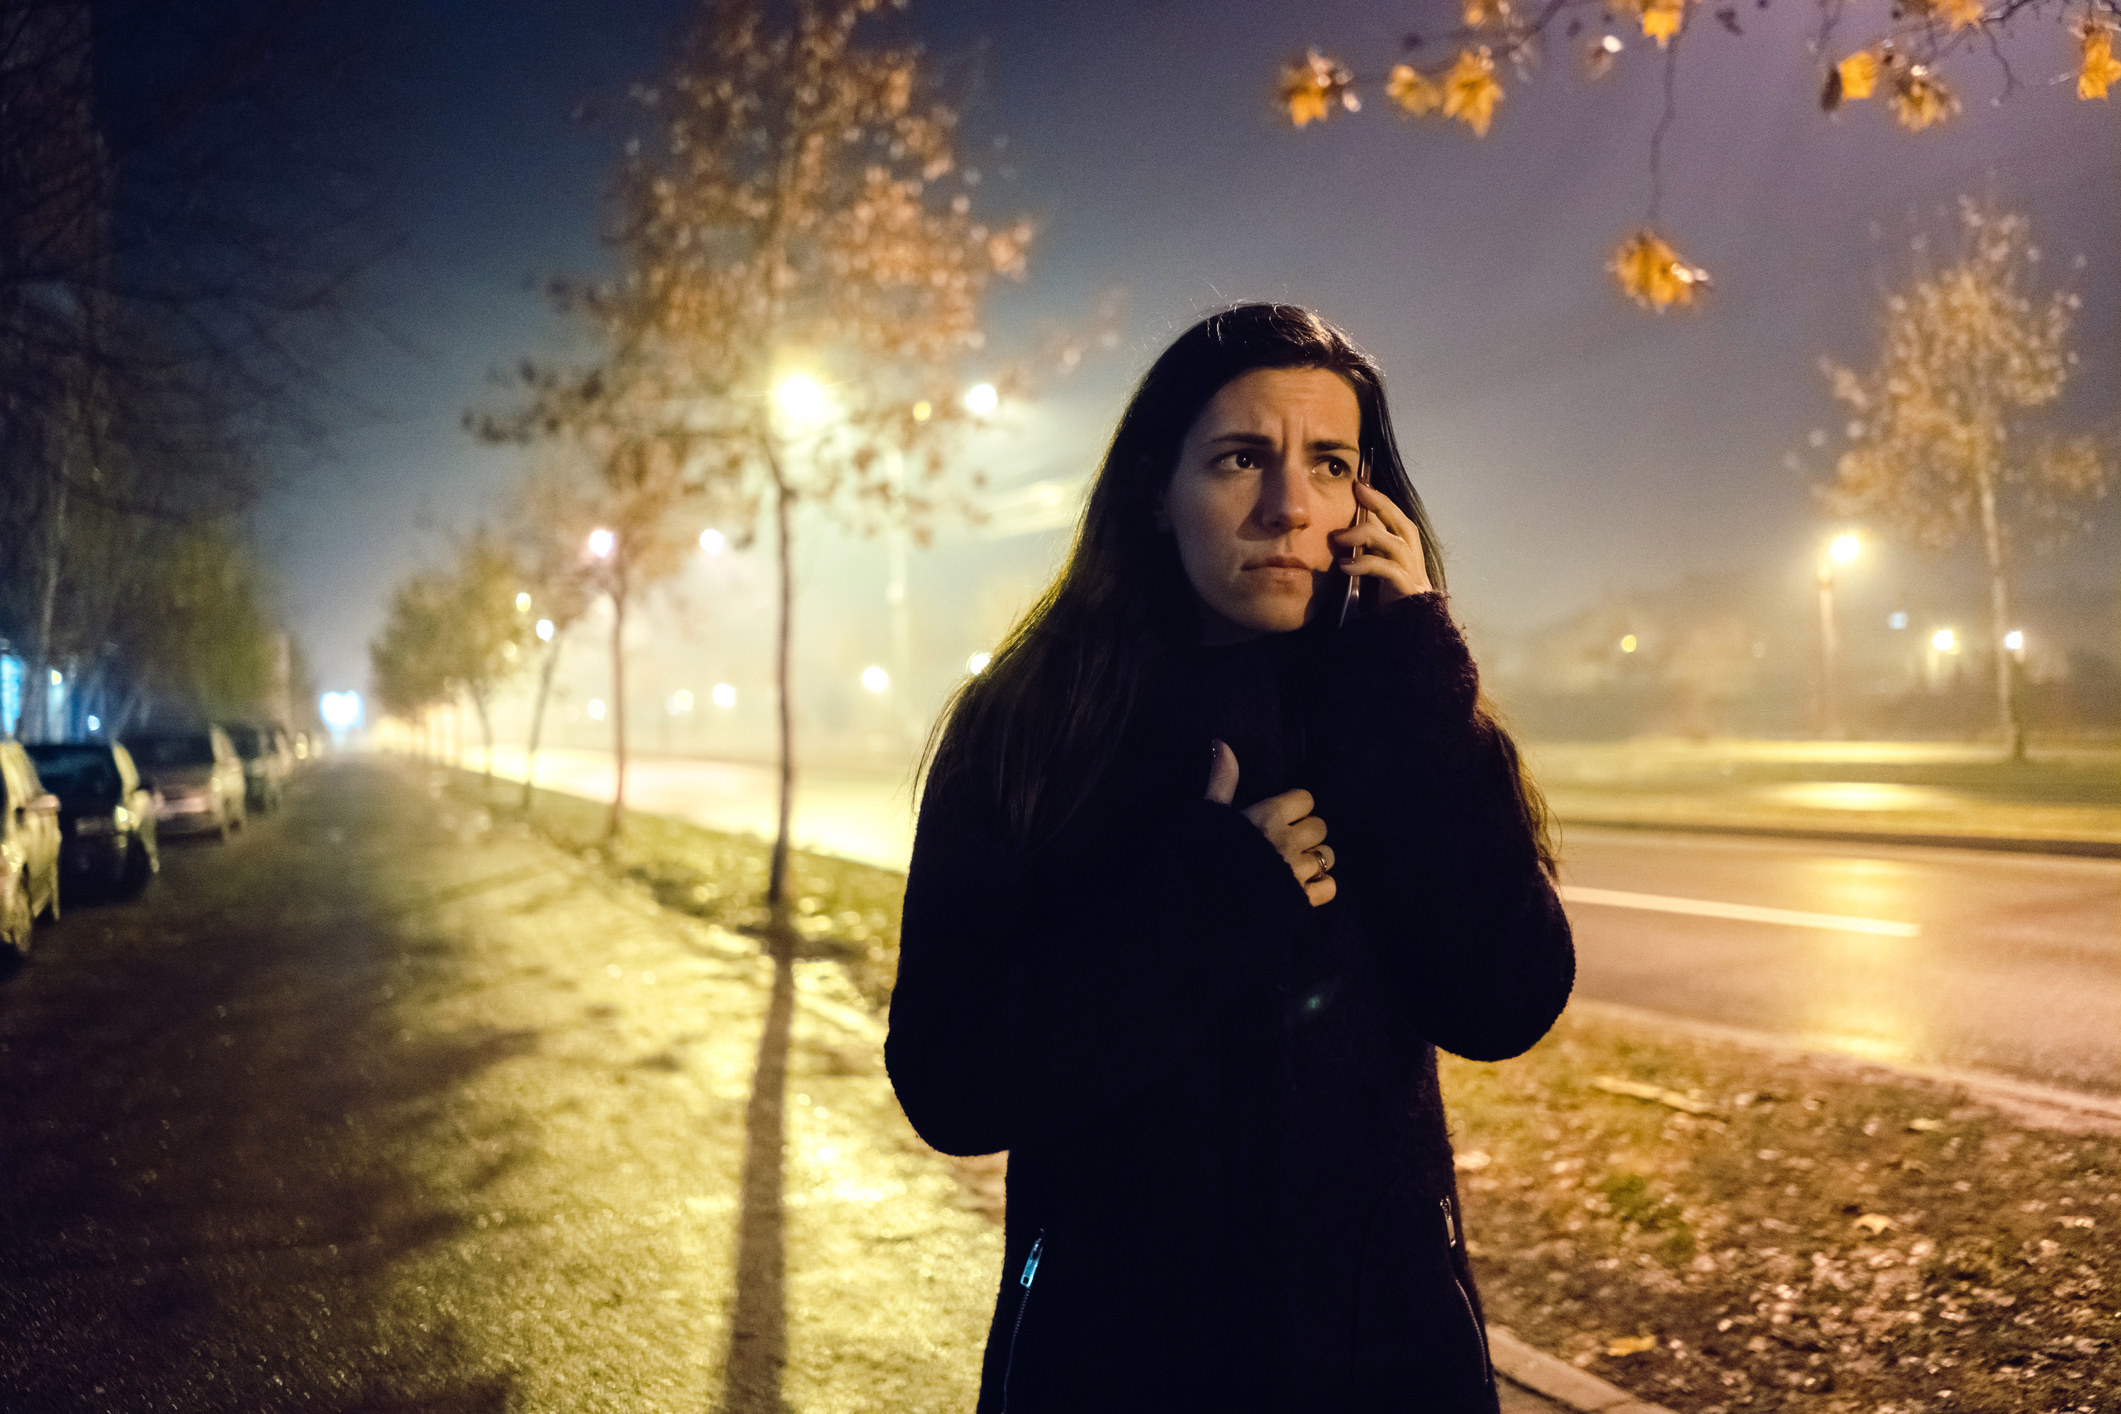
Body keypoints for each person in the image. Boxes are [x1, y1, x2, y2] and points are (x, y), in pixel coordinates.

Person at [885, 303, 1575, 1413]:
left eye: (1331, 464)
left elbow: (1506, 1001)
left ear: (1369, 499)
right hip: (1109, 1369)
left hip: (1384, 1365)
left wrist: (1420, 695)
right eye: (1242, 458)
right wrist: (1203, 903)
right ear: (1158, 491)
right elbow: (952, 1081)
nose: (1289, 506)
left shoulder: (1398, 705)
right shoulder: (1033, 727)